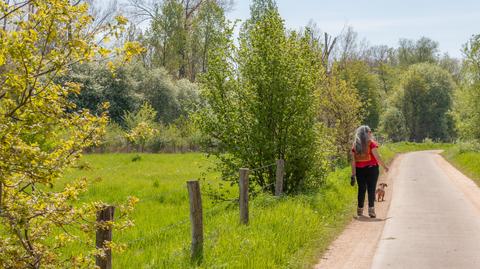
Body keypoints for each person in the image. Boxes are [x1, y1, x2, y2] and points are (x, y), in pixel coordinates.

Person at [351, 125, 389, 218]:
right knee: (371, 189)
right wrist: (385, 167)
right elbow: (377, 157)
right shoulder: (371, 143)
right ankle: (371, 211)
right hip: (372, 169)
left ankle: (360, 210)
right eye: (370, 131)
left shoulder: (355, 144)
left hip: (360, 170)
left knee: (361, 189)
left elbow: (352, 161)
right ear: (366, 133)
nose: (371, 133)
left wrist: (353, 174)